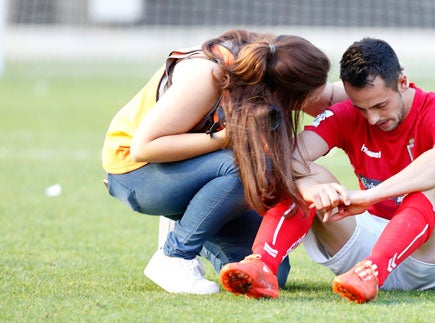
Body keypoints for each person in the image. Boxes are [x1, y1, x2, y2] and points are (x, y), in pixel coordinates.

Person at [219, 37, 435, 303]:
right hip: (368, 249)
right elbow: (291, 158)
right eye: (361, 108)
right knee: (312, 175)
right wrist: (312, 189)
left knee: (432, 179)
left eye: (381, 105)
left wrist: (368, 197)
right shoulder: (347, 113)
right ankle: (263, 264)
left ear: (403, 82)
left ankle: (374, 270)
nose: (373, 118)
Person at [101, 29, 337, 295]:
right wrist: (227, 137)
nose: (315, 106)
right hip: (136, 173)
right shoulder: (208, 76)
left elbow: (332, 96)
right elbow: (143, 148)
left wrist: (387, 89)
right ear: (283, 94)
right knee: (244, 165)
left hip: (193, 170)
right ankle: (174, 256)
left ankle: (190, 223)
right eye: (305, 101)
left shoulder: (270, 70)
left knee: (269, 272)